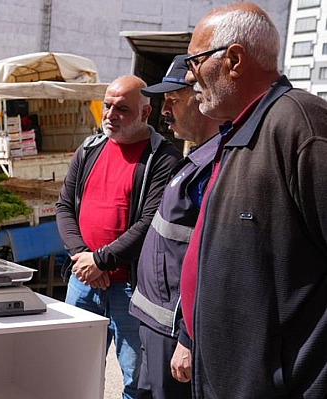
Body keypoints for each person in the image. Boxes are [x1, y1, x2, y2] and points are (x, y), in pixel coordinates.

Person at [179, 3, 327, 397]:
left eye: (194, 61)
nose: (189, 76)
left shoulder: (301, 127)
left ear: (234, 59)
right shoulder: (237, 133)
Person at [56, 75, 181, 399]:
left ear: (144, 113)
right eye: (107, 106)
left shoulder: (163, 159)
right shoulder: (90, 149)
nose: (110, 115)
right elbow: (64, 206)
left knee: (135, 379)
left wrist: (100, 261)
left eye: (122, 109)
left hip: (131, 290)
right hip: (83, 282)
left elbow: (149, 224)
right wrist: (84, 258)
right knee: (74, 370)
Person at [128, 55, 220, 399]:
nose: (165, 110)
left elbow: (209, 262)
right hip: (157, 323)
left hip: (174, 332)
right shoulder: (196, 159)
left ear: (201, 98)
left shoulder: (214, 166)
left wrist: (187, 337)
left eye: (173, 100)